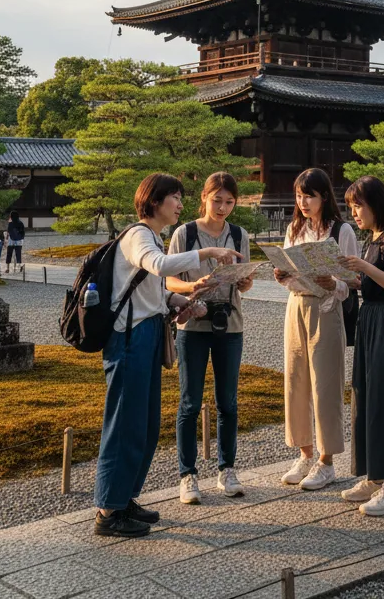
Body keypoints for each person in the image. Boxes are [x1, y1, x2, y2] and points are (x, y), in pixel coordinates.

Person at [93, 173, 241, 539]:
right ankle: (108, 510)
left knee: (144, 424)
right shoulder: (139, 235)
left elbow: (155, 292)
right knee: (125, 423)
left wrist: (184, 302)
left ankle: (125, 498)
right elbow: (158, 267)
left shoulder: (153, 236)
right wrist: (206, 253)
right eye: (174, 197)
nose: (179, 204)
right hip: (129, 338)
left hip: (147, 335)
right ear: (155, 201)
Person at [167, 172, 253, 506]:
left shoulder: (239, 234)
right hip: (193, 323)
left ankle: (226, 469)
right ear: (204, 197)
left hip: (229, 322)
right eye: (216, 199)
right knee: (189, 402)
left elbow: (243, 282)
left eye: (229, 202)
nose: (222, 207)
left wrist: (244, 283)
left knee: (228, 402)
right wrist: (192, 286)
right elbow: (168, 279)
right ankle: (187, 475)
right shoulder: (184, 233)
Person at [276, 168, 359, 491]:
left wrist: (334, 282)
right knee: (295, 380)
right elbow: (287, 267)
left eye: (309, 195)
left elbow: (354, 279)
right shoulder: (294, 229)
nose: (303, 202)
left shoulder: (341, 231)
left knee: (326, 384)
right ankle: (304, 452)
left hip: (327, 307)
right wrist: (283, 276)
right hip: (296, 305)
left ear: (324, 196)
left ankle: (327, 461)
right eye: (299, 195)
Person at [337, 175, 384, 517]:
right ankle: (373, 475)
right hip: (370, 321)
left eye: (359, 205)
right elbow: (369, 283)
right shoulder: (373, 240)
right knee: (365, 396)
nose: (354, 212)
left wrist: (364, 266)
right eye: (351, 206)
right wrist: (340, 277)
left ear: (376, 204)